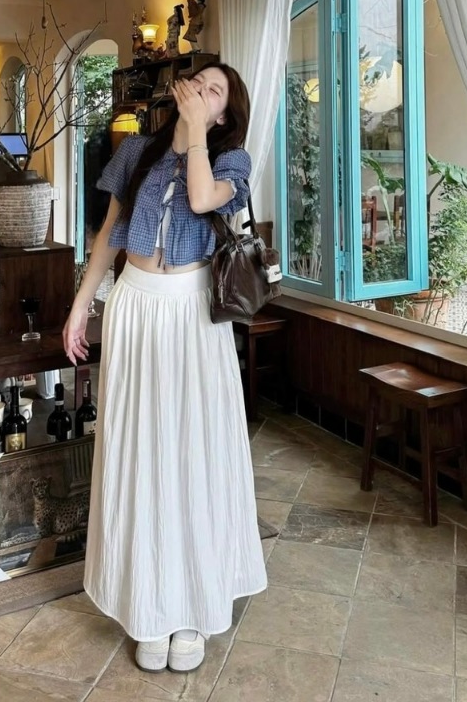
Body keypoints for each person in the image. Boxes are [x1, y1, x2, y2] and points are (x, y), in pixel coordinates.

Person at [62, 62, 267, 673]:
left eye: (214, 91)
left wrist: (196, 133)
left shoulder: (232, 161)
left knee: (190, 452)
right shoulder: (137, 152)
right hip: (134, 304)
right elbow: (109, 234)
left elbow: (202, 199)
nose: (201, 92)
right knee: (138, 449)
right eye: (197, 82)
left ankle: (192, 611)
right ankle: (146, 604)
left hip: (192, 315)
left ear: (225, 113)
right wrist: (80, 307)